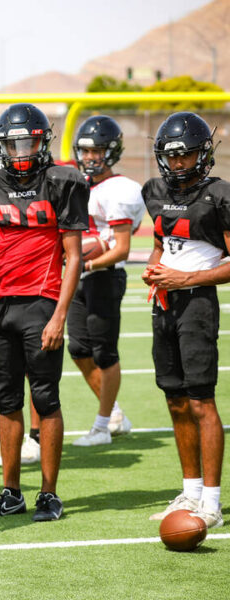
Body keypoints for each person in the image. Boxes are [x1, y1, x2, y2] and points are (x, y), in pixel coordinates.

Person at [0, 103, 88, 522]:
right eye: (13, 142)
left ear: (42, 141)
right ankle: (11, 492)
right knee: (7, 402)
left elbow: (74, 257)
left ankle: (49, 493)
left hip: (41, 303)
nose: (20, 150)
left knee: (45, 398)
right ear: (0, 145)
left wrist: (58, 315)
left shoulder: (63, 181)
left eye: (28, 141)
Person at [141, 112, 227, 529]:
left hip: (197, 303)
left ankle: (211, 501)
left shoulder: (220, 195)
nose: (177, 164)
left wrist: (185, 277)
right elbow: (162, 243)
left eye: (185, 155)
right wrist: (155, 268)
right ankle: (190, 491)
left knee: (200, 400)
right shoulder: (154, 191)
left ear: (203, 154)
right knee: (174, 399)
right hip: (164, 303)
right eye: (171, 157)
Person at [68, 115, 144, 447]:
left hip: (104, 277)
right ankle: (113, 414)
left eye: (96, 151)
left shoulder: (121, 189)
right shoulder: (75, 183)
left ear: (111, 152)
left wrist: (87, 263)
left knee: (104, 353)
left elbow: (122, 248)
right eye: (84, 151)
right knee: (77, 348)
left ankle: (101, 426)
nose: (89, 157)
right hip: (80, 275)